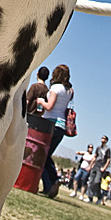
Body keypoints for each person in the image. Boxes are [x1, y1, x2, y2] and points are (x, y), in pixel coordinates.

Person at [37, 64, 74, 198]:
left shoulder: (55, 88)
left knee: (43, 155)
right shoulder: (69, 90)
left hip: (50, 124)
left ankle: (52, 181)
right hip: (61, 126)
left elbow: (50, 106)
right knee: (46, 155)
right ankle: (49, 185)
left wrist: (41, 101)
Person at [86, 135, 111, 203]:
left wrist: (104, 167)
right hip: (95, 165)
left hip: (101, 167)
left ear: (106, 140)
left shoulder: (107, 149)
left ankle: (99, 197)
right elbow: (95, 157)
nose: (102, 139)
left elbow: (108, 159)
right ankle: (90, 197)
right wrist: (90, 166)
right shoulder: (98, 148)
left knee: (96, 182)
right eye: (102, 138)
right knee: (90, 182)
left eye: (104, 138)